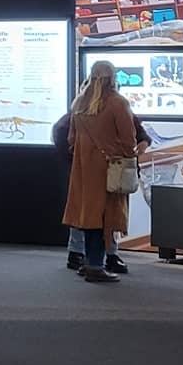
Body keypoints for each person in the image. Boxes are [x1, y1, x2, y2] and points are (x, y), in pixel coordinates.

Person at [62, 60, 139, 284]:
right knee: (105, 216)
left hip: (83, 169)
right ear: (113, 78)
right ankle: (96, 265)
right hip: (108, 169)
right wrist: (128, 154)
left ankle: (88, 262)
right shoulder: (118, 103)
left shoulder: (79, 103)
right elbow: (128, 140)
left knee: (89, 214)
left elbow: (71, 139)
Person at [54, 110, 152, 274]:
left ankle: (91, 254)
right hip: (98, 170)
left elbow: (141, 135)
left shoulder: (89, 107)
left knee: (99, 211)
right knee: (93, 211)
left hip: (108, 170)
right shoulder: (95, 107)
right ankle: (93, 255)